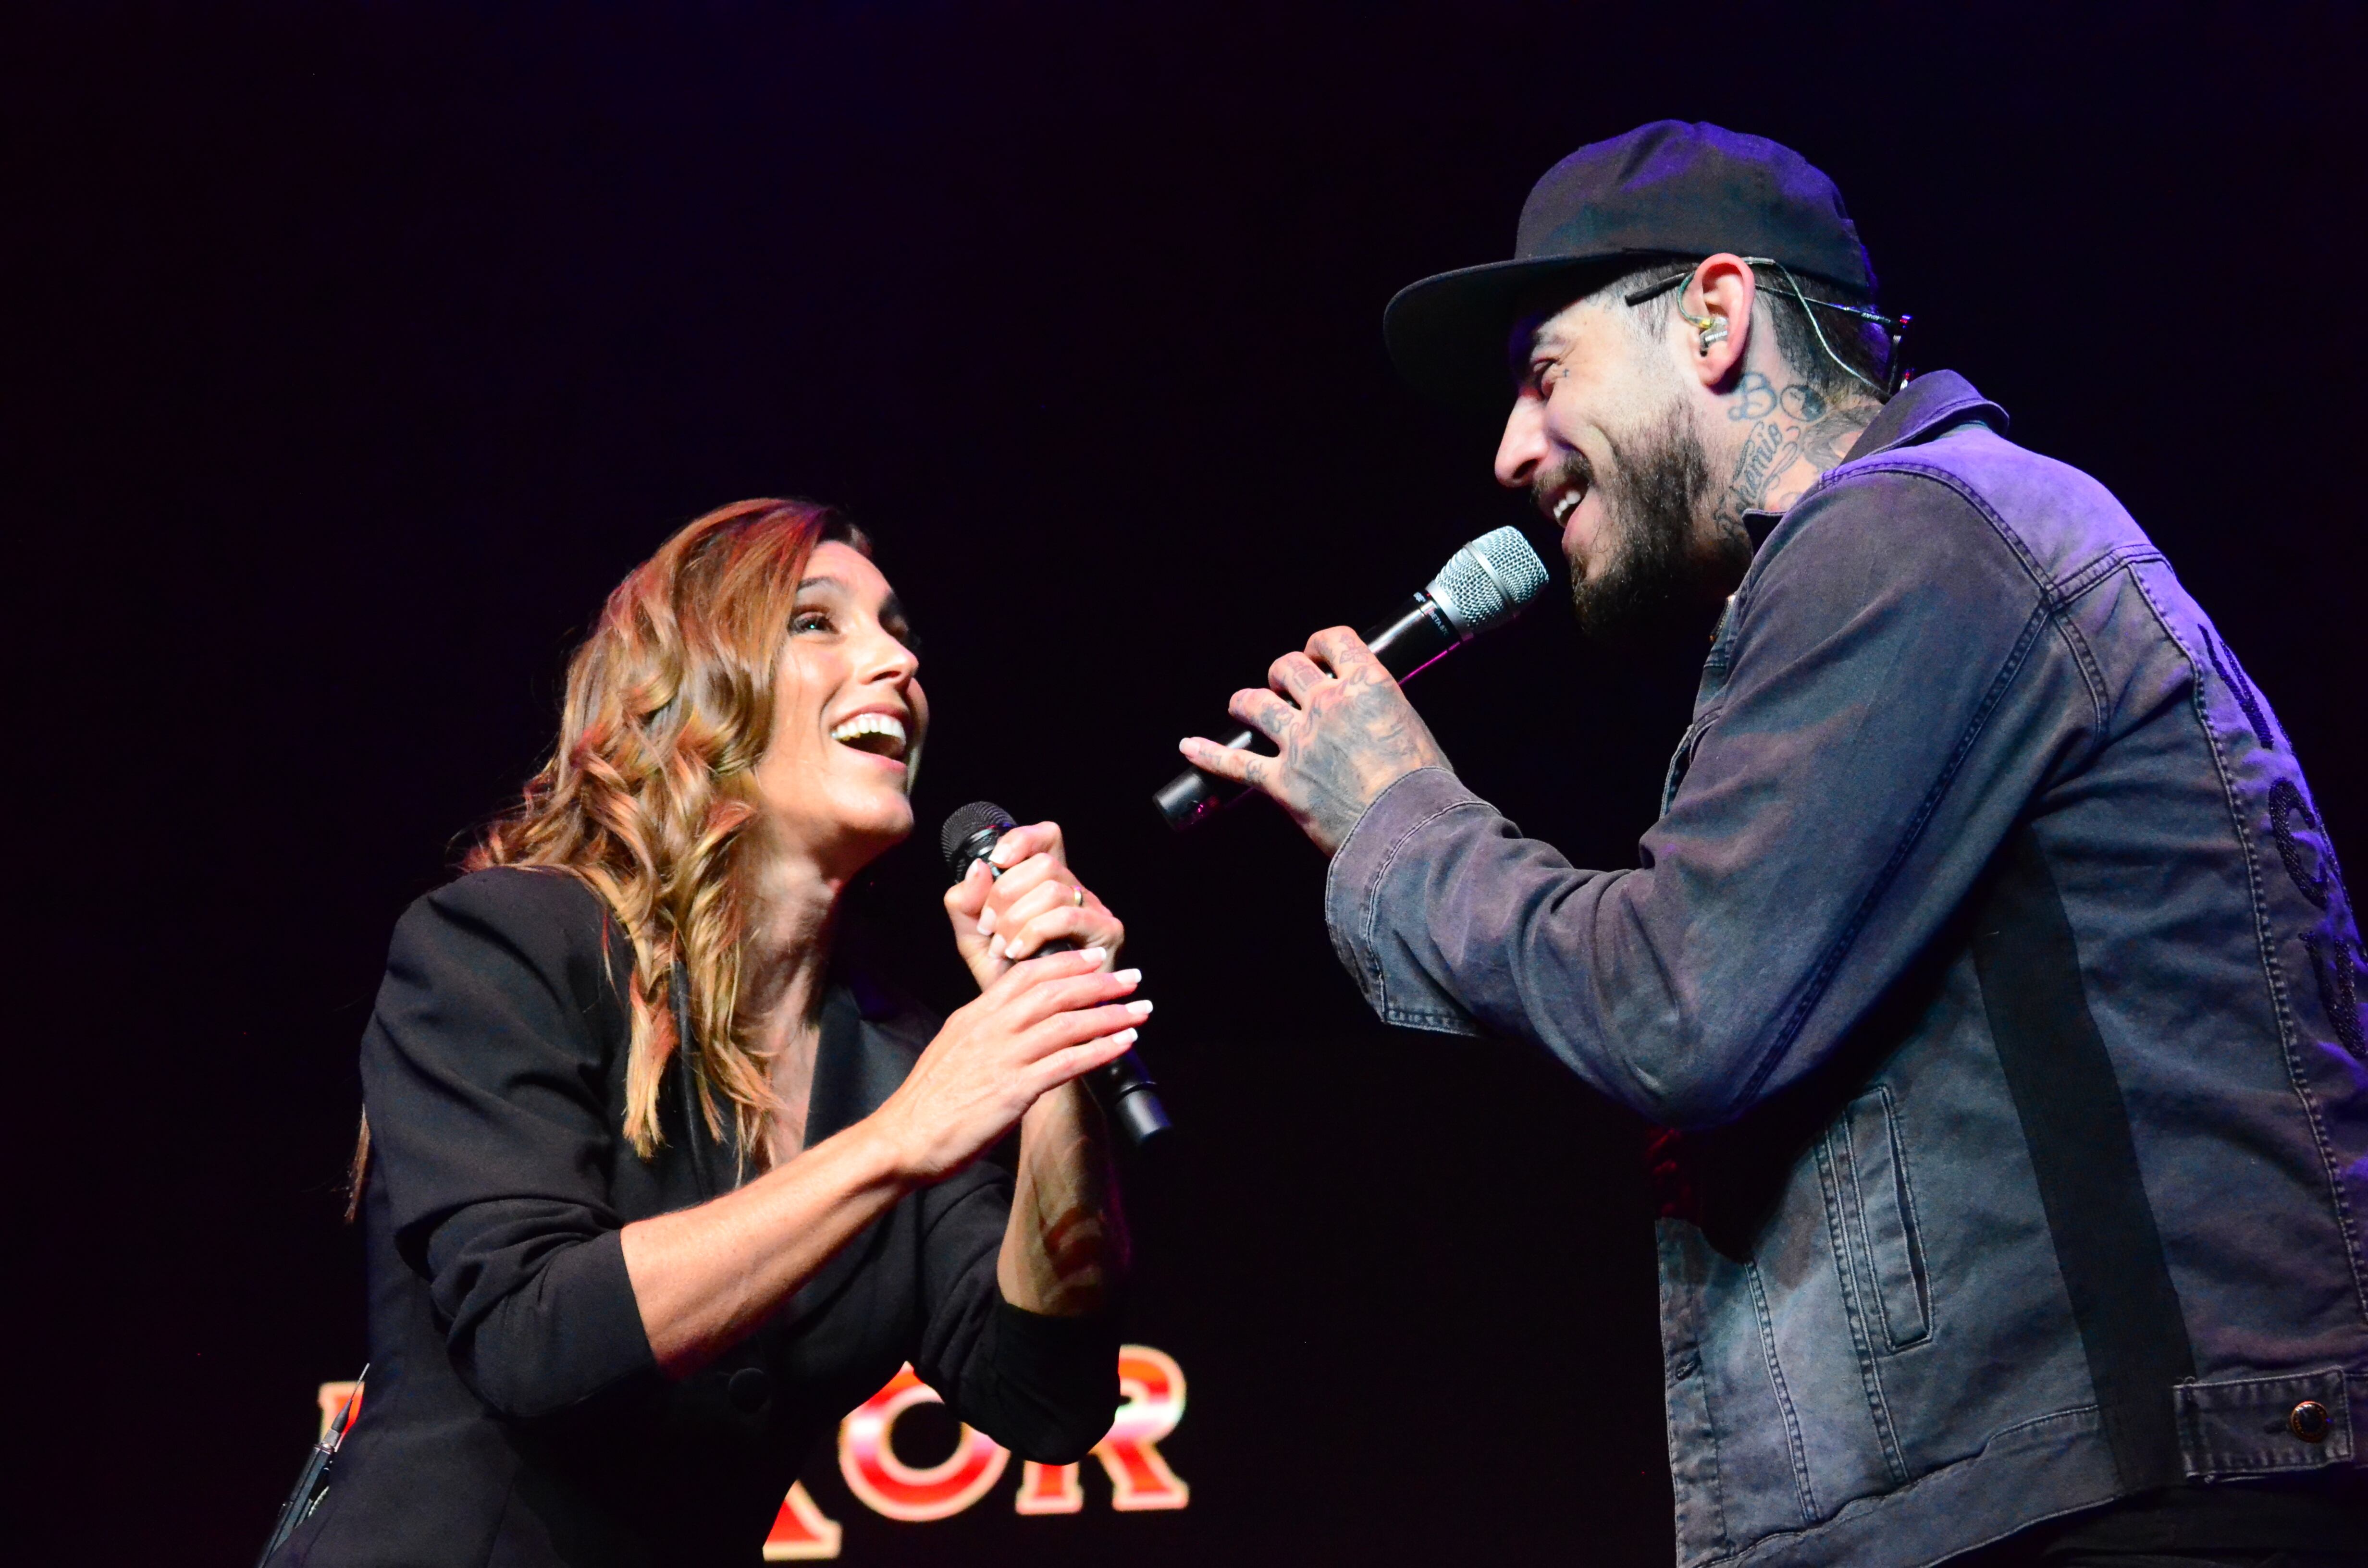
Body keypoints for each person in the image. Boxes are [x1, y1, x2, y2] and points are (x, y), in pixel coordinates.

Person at [1184, 122, 2368, 1566]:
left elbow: (1679, 1007)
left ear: (1717, 315)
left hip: (2127, 1509)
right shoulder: (1940, 541)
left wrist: (1401, 819)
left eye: (1543, 376)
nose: (1508, 454)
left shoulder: (1913, 537)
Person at [279, 499, 1146, 1566]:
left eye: (899, 631)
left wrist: (1052, 1045)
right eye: (817, 623)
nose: (896, 662)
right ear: (686, 693)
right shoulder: (506, 942)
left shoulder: (898, 1051)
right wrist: (895, 1145)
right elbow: (532, 1336)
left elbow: (1042, 1397)